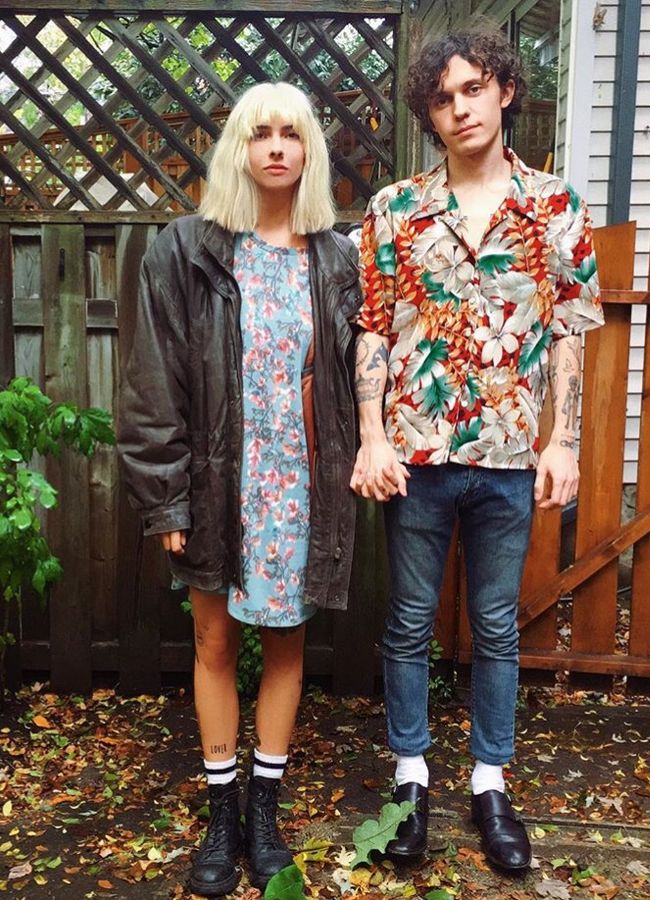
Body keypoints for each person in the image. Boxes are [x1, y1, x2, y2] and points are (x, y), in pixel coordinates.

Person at [351, 28, 604, 871]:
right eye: (442, 97)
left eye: (472, 89)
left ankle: (490, 784)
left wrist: (561, 442)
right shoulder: (395, 208)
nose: (459, 107)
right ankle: (411, 777)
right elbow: (374, 330)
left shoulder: (555, 206)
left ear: (502, 91)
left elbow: (569, 331)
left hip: (506, 457)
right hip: (417, 456)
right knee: (409, 625)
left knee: (497, 626)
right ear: (430, 112)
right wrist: (372, 434)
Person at [118, 82, 361, 896]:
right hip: (219, 482)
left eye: (291, 134)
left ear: (309, 150)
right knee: (215, 644)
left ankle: (264, 806)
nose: (276, 148)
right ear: (238, 148)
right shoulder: (186, 250)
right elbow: (153, 384)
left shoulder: (335, 257)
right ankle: (222, 812)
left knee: (287, 644)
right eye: (260, 134)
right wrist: (167, 499)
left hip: (300, 487)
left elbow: (365, 372)